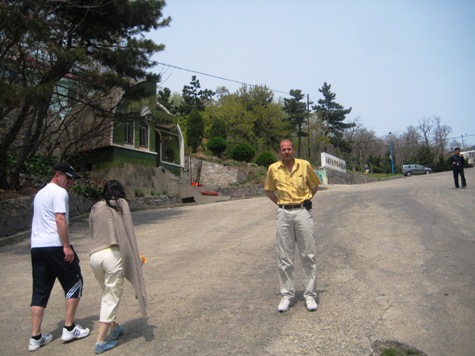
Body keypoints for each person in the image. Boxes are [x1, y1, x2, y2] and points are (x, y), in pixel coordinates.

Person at [29, 162, 90, 351]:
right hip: (55, 245)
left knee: (40, 290)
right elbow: (59, 218)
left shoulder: (40, 194)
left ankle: (35, 337)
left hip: (37, 247)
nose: (70, 182)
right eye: (68, 178)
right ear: (57, 175)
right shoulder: (59, 193)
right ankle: (69, 328)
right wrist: (66, 246)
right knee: (75, 282)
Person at [89, 180, 147, 354]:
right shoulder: (121, 204)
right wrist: (134, 257)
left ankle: (114, 328)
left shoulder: (96, 206)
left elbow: (93, 232)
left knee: (107, 293)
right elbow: (128, 232)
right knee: (111, 297)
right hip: (112, 255)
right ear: (120, 191)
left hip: (94, 256)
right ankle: (100, 342)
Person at [264, 139, 321, 313]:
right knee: (284, 257)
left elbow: (315, 185)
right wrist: (281, 204)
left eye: (289, 149)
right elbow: (268, 190)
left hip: (302, 212)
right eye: (283, 149)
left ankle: (309, 295)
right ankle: (287, 295)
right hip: (283, 214)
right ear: (279, 152)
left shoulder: (304, 165)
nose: (287, 152)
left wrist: (306, 201)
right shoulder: (273, 169)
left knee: (308, 255)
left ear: (293, 150)